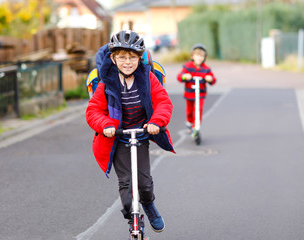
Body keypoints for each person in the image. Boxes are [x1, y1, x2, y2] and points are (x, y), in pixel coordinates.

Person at [86, 30, 174, 233]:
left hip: (140, 134)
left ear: (139, 58)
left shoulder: (147, 78)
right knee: (126, 186)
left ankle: (149, 205)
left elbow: (163, 102)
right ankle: (134, 220)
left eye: (132, 57)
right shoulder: (107, 82)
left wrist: (156, 121)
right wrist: (106, 125)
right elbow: (93, 111)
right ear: (113, 59)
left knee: (143, 183)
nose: (127, 62)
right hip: (118, 138)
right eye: (122, 57)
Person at [177, 44, 216, 134]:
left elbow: (213, 80)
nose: (199, 58)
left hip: (200, 94)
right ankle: (189, 123)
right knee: (189, 111)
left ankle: (196, 127)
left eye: (202, 56)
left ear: (204, 57)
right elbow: (179, 77)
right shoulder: (187, 66)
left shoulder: (206, 69)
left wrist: (210, 79)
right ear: (192, 56)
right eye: (197, 55)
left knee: (198, 110)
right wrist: (184, 76)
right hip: (189, 93)